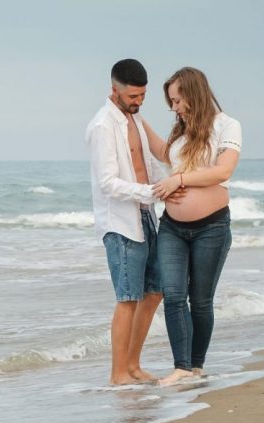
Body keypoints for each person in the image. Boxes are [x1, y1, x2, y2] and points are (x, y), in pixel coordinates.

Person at [147, 67, 242, 386]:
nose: (174, 108)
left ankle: (196, 365)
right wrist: (134, 121)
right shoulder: (180, 130)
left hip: (212, 227)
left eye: (177, 101)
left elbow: (222, 171)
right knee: (173, 294)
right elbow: (165, 155)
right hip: (172, 227)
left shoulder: (227, 125)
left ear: (193, 94)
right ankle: (182, 367)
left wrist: (180, 180)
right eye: (171, 102)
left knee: (200, 300)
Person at [86, 58, 177, 386]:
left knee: (155, 291)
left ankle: (134, 366)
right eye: (132, 97)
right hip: (120, 222)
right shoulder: (101, 126)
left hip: (145, 215)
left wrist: (165, 189)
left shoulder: (134, 120)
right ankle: (117, 374)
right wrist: (152, 191)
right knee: (127, 298)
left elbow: (148, 162)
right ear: (114, 90)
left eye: (142, 96)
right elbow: (108, 182)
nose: (138, 102)